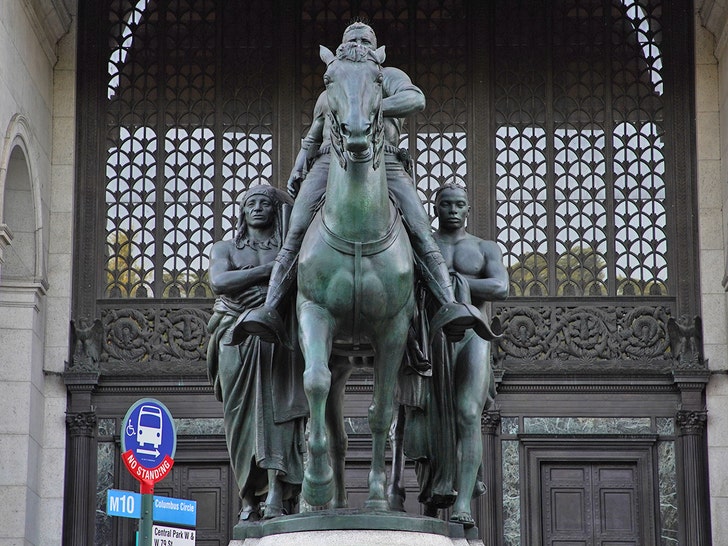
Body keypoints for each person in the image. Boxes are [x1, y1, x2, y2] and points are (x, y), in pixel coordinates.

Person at [233, 22, 496, 348]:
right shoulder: (335, 80)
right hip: (330, 161)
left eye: (365, 40)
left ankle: (448, 304)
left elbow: (416, 99)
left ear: (376, 48)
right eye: (353, 39)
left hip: (383, 159)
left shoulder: (387, 75)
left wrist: (369, 107)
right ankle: (271, 308)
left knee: (419, 228)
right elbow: (315, 131)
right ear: (341, 46)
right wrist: (302, 161)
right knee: (296, 231)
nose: (359, 44)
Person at [403, 181, 509, 527]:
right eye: (445, 204)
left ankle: (463, 500)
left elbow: (500, 286)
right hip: (431, 336)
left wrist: (453, 284)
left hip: (474, 334)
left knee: (467, 412)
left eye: (458, 204)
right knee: (429, 418)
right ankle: (433, 495)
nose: (451, 210)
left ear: (467, 209)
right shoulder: (423, 244)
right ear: (436, 208)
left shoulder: (484, 247)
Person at [206, 185, 307, 523]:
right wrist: (270, 274)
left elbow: (304, 284)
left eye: (266, 203)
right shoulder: (225, 248)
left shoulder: (287, 249)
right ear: (242, 211)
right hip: (234, 335)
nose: (259, 208)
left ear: (276, 212)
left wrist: (271, 292)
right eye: (252, 203)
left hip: (278, 338)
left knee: (280, 412)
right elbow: (220, 282)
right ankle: (248, 496)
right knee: (240, 419)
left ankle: (278, 492)